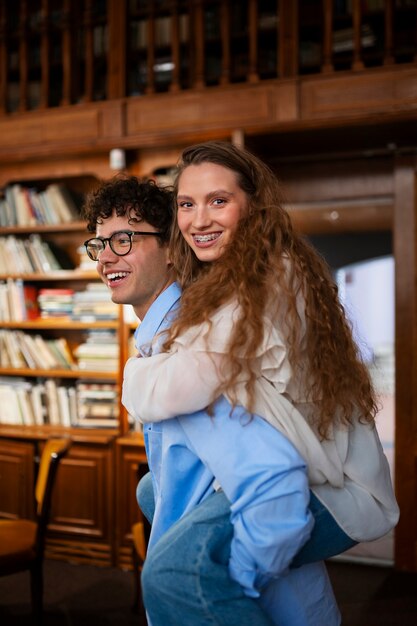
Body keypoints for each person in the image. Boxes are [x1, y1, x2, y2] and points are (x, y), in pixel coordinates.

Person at [122, 142, 399, 614]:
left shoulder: (267, 280)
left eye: (218, 201)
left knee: (175, 575)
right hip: (302, 469)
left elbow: (176, 387)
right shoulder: (232, 279)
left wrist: (137, 370)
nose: (199, 219)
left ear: (252, 204)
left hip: (333, 491)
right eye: (187, 204)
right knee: (155, 490)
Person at [83, 174, 341, 626]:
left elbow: (273, 480)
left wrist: (213, 579)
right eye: (99, 244)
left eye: (123, 239)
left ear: (172, 250)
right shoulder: (166, 339)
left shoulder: (195, 347)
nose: (105, 258)